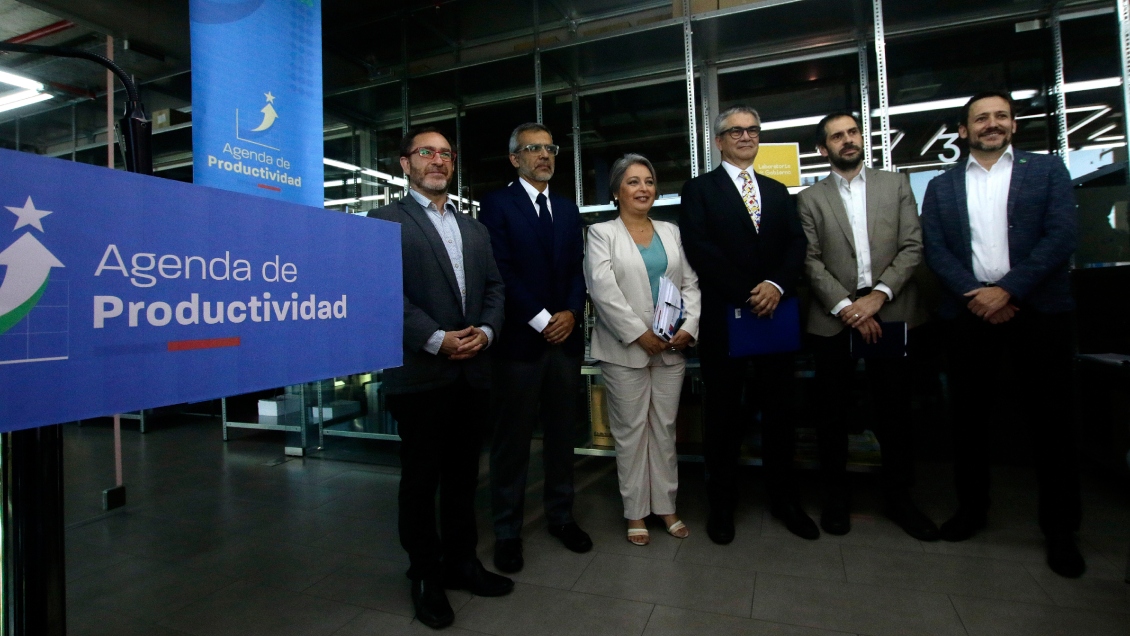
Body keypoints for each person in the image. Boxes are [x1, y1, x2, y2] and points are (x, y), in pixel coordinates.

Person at [920, 91, 1084, 577]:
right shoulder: (942, 186)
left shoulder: (1047, 170)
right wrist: (977, 294)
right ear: (964, 130)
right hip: (970, 314)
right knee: (969, 421)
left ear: (1013, 124)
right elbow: (935, 248)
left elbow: (1061, 236)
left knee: (1053, 424)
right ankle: (972, 510)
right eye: (981, 118)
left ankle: (1061, 530)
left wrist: (1008, 290)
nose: (991, 124)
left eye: (1000, 116)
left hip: (1039, 313)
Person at [368, 126, 512, 629]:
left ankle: (462, 562)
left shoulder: (474, 228)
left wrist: (487, 332)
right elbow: (383, 292)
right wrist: (436, 338)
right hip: (420, 373)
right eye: (426, 152)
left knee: (463, 478)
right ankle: (426, 575)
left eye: (446, 154)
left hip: (472, 373)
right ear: (405, 163)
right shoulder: (384, 221)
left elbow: (495, 288)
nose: (437, 161)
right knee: (420, 480)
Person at [797, 112, 938, 541]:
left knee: (894, 410)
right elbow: (809, 260)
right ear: (823, 148)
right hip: (833, 319)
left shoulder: (895, 186)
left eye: (853, 132)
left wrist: (877, 297)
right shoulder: (809, 199)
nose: (848, 140)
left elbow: (912, 246)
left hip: (891, 312)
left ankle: (899, 498)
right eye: (837, 136)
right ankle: (835, 499)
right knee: (832, 413)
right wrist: (847, 307)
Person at [678, 105, 814, 543]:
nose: (745, 136)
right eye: (735, 131)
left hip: (775, 317)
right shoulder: (699, 190)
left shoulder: (777, 190)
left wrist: (775, 285)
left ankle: (784, 500)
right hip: (726, 319)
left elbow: (796, 244)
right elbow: (699, 249)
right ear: (719, 141)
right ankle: (721, 505)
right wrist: (748, 292)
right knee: (723, 416)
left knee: (780, 414)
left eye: (752, 130)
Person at [479, 122, 592, 574]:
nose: (544, 155)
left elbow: (577, 269)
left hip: (565, 342)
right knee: (513, 442)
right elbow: (501, 271)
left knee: (563, 436)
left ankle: (562, 516)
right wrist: (545, 319)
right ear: (515, 158)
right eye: (533, 148)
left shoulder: (566, 207)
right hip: (520, 344)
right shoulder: (496, 205)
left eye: (550, 148)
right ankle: (507, 530)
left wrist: (572, 312)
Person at [584, 154, 701, 545]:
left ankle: (666, 505)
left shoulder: (672, 231)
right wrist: (638, 333)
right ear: (617, 191)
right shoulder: (602, 234)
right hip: (625, 351)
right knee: (631, 432)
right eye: (633, 182)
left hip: (671, 348)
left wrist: (689, 327)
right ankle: (635, 511)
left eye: (648, 181)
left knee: (664, 429)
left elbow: (690, 284)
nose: (643, 189)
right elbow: (603, 291)